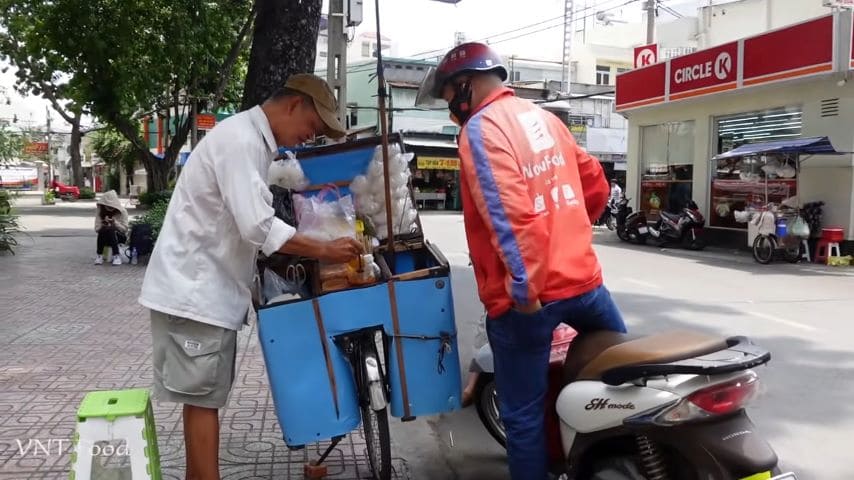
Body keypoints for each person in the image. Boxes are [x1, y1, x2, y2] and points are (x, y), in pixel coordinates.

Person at [138, 74, 363, 480]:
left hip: (207, 291)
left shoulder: (254, 143)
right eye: (312, 126)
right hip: (194, 291)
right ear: (294, 105)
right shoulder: (241, 141)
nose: (309, 136)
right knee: (204, 401)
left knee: (204, 399)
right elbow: (257, 225)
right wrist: (325, 249)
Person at [419, 43, 627, 480]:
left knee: (525, 417)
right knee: (620, 382)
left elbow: (508, 214)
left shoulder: (481, 129)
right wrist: (567, 233)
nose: (451, 111)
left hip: (529, 300)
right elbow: (595, 185)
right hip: (585, 285)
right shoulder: (547, 119)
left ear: (464, 87)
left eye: (448, 100)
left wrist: (525, 286)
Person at [94, 190, 129, 266]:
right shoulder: (100, 211)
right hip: (104, 237)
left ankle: (116, 255)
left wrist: (115, 223)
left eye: (111, 206)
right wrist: (103, 224)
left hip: (119, 237)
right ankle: (99, 255)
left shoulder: (122, 212)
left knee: (111, 229)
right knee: (104, 230)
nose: (110, 208)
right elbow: (97, 229)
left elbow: (125, 229)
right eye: (108, 206)